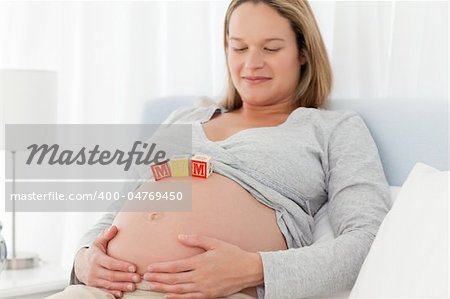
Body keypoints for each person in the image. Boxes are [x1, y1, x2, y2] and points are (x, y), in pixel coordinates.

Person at [48, 0, 390, 298]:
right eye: (239, 47)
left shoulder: (332, 129)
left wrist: (256, 269)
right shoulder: (182, 117)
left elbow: (367, 240)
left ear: (303, 52)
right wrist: (84, 258)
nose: (251, 64)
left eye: (270, 48)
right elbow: (112, 215)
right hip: (97, 291)